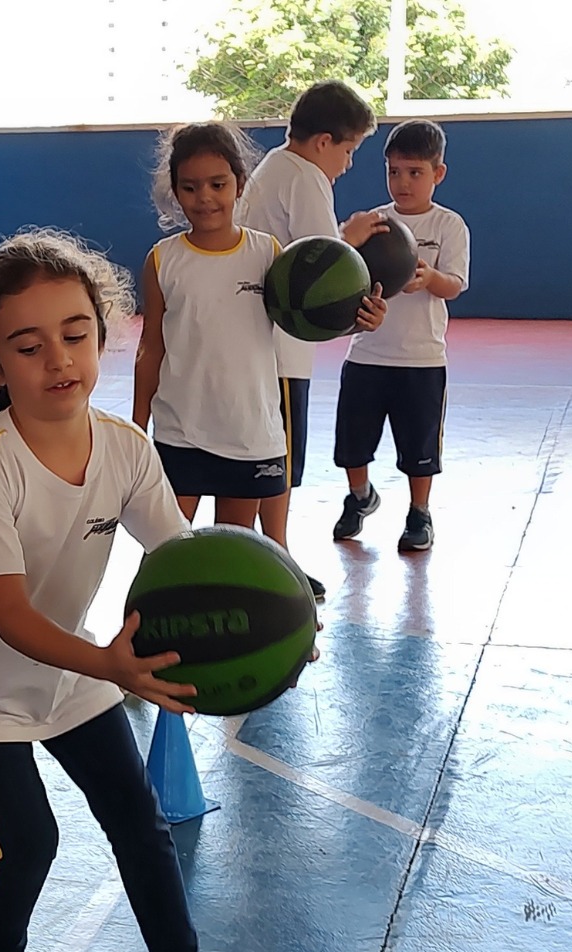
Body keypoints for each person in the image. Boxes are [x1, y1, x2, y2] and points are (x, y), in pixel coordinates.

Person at [0, 228, 290, 952]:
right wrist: (115, 669)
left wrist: (280, 609)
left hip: (72, 663)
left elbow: (184, 557)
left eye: (76, 334)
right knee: (32, 837)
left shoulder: (122, 446)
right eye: (29, 343)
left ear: (104, 332)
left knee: (140, 823)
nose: (59, 359)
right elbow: (9, 617)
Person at [133, 120, 387, 550]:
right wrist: (138, 429)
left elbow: (305, 321)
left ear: (240, 183)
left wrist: (358, 319)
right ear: (175, 191)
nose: (205, 198)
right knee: (166, 551)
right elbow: (150, 349)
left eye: (218, 183)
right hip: (179, 432)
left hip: (247, 433)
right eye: (190, 187)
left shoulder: (268, 254)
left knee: (234, 552)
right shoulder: (163, 261)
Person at [239, 80, 387, 600]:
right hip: (281, 347)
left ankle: (265, 553)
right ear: (323, 141)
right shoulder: (304, 177)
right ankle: (277, 558)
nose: (347, 164)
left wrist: (346, 235)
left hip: (263, 344)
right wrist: (356, 259)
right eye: (348, 150)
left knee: (265, 456)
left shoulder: (274, 168)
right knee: (277, 458)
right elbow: (323, 265)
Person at [331, 119, 470, 552]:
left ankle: (419, 513)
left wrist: (429, 277)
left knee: (419, 448)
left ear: (437, 174)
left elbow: (455, 285)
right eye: (394, 172)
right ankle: (360, 496)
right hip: (368, 354)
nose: (403, 182)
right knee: (352, 444)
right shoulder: (373, 224)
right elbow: (342, 269)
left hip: (422, 361)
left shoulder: (449, 226)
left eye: (415, 173)